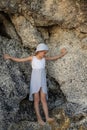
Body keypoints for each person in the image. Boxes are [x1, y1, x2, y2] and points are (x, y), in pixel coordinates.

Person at [4, 43, 67, 125]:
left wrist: (62, 54)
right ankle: (39, 119)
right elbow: (20, 60)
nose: (44, 54)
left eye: (45, 53)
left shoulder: (44, 58)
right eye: (43, 52)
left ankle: (47, 117)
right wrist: (10, 57)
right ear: (39, 51)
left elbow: (53, 58)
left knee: (43, 99)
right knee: (36, 99)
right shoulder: (32, 58)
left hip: (43, 80)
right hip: (35, 80)